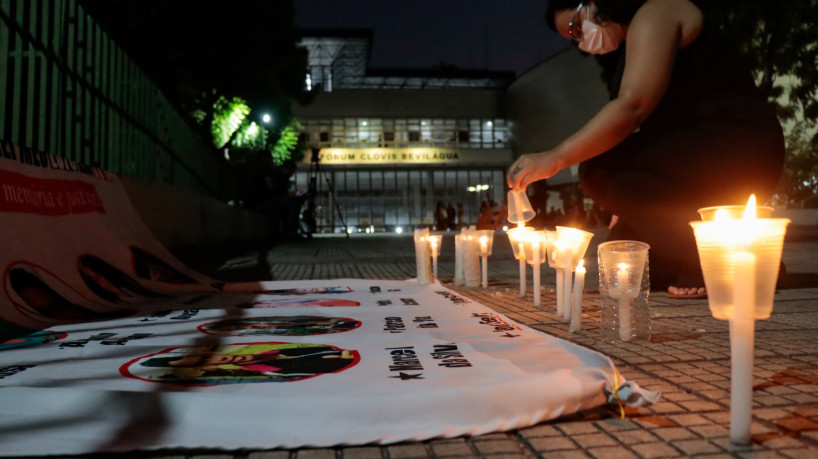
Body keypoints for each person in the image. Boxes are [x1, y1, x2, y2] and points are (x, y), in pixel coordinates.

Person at [507, 0, 785, 297]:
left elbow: (633, 107)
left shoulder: (657, 12)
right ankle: (746, 256)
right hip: (695, 152)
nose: (582, 41)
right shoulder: (626, 49)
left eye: (577, 26)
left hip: (735, 143)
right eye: (573, 39)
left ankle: (720, 260)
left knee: (597, 168)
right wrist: (627, 201)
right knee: (633, 256)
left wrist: (555, 158)